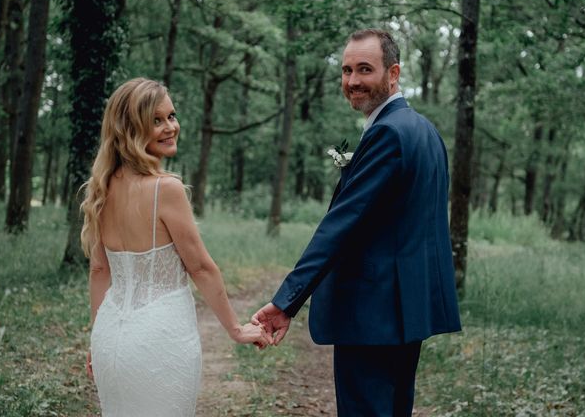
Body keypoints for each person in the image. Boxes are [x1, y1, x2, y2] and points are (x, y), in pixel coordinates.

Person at [252, 29, 461, 416]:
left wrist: (286, 302)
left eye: (365, 69)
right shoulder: (425, 132)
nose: (352, 81)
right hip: (406, 312)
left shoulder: (387, 133)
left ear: (393, 73)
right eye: (346, 70)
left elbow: (341, 226)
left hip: (372, 313)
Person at [81, 78, 269, 417]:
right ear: (130, 129)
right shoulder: (166, 189)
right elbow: (200, 268)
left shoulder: (101, 189)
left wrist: (97, 340)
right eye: (156, 120)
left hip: (110, 337)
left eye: (171, 116)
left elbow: (99, 271)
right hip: (160, 339)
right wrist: (236, 329)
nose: (171, 127)